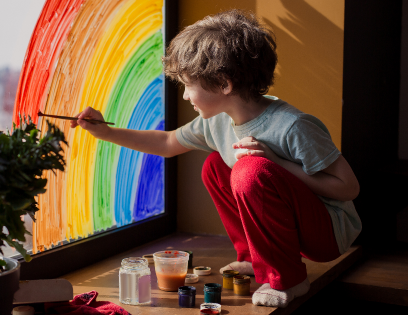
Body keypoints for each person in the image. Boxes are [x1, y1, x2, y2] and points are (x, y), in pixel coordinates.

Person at [70, 9, 361, 308]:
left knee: (250, 171)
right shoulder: (217, 121)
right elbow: (168, 142)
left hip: (327, 233)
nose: (184, 96)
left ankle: (287, 279)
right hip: (289, 225)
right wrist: (105, 132)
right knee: (216, 166)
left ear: (224, 84)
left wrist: (278, 163)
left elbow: (348, 188)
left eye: (188, 85)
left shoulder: (293, 125)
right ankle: (252, 258)